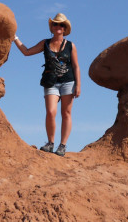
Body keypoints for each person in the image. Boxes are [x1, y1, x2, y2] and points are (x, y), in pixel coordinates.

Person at [13, 13, 80, 156]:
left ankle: (62, 145)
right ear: (52, 27)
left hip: (68, 82)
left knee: (66, 113)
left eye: (61, 25)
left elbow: (76, 66)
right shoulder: (45, 43)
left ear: (65, 28)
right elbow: (27, 52)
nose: (58, 27)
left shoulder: (70, 45)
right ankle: (50, 143)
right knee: (51, 112)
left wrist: (78, 85)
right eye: (55, 24)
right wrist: (15, 38)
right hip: (51, 82)